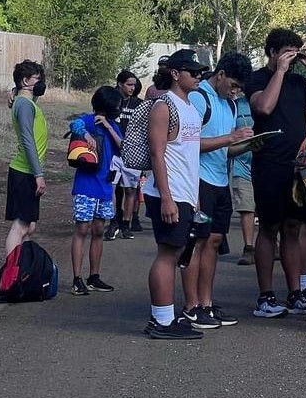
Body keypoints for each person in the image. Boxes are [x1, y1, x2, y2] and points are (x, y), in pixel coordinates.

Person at [245, 28, 306, 318]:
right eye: (286, 52)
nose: (292, 59)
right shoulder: (258, 78)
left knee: (293, 227)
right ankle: (265, 296)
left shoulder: (298, 81)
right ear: (272, 52)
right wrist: (279, 71)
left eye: (296, 52)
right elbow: (265, 107)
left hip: (297, 167)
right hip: (269, 164)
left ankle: (296, 293)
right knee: (269, 227)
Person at [179, 52, 254, 330]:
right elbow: (190, 143)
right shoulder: (200, 98)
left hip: (221, 181)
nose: (235, 92)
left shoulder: (231, 105)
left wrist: (248, 145)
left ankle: (206, 303)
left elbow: (227, 148)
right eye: (233, 85)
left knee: (212, 243)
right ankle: (191, 306)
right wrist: (231, 138)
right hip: (199, 181)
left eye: (239, 89)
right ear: (220, 75)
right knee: (195, 244)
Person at [143, 50, 206, 340]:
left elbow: (189, 153)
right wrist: (166, 196)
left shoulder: (190, 107)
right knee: (168, 255)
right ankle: (161, 320)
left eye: (199, 72)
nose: (198, 76)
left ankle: (166, 318)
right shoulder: (164, 105)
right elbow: (157, 153)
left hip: (185, 193)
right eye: (192, 71)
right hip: (168, 193)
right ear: (175, 73)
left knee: (177, 252)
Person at [66, 86, 122, 295]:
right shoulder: (88, 120)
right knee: (82, 229)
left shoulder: (113, 126)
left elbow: (122, 147)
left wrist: (108, 127)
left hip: (105, 186)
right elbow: (75, 124)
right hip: (85, 185)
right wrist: (85, 133)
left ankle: (94, 276)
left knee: (98, 230)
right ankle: (76, 278)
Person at [4, 60, 47, 257]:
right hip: (24, 171)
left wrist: (15, 91)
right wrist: (38, 174)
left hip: (27, 170)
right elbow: (28, 139)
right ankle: (12, 274)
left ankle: (24, 270)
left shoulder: (25, 102)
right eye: (37, 79)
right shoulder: (23, 105)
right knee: (20, 227)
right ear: (25, 80)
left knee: (28, 227)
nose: (41, 83)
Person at [105, 69, 144, 240]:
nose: (132, 88)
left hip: (132, 154)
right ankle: (114, 220)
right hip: (113, 153)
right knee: (112, 188)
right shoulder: (111, 101)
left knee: (130, 190)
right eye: (129, 84)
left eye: (134, 85)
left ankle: (126, 224)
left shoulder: (139, 104)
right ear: (120, 84)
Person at [230, 93, 256, 265]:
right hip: (241, 164)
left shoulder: (267, 102)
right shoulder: (234, 105)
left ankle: (271, 243)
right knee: (246, 207)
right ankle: (249, 247)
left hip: (265, 164)